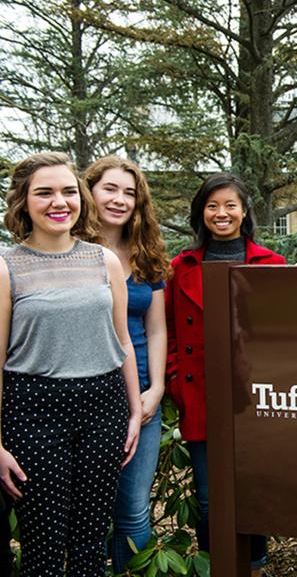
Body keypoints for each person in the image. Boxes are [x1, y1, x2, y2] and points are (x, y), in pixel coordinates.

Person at [0, 152, 142, 574]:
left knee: (89, 545)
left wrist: (134, 411)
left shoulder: (104, 261)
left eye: (68, 191)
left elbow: (123, 342)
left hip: (104, 407)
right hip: (34, 410)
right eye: (44, 192)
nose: (58, 202)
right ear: (24, 201)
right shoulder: (7, 267)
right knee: (43, 548)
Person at [166, 173, 286, 576]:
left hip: (253, 397)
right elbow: (167, 332)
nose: (222, 213)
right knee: (208, 496)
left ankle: (255, 565)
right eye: (213, 205)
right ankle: (216, 566)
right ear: (202, 212)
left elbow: (280, 334)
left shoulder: (271, 264)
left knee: (251, 492)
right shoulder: (180, 266)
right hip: (200, 394)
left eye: (230, 205)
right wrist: (174, 384)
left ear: (244, 211)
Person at [84, 156, 169, 572]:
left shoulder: (146, 254)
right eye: (110, 189)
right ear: (90, 191)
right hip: (88, 395)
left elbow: (156, 329)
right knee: (91, 512)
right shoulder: (70, 249)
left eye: (129, 193)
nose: (119, 200)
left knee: (134, 511)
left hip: (142, 399)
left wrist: (156, 389)